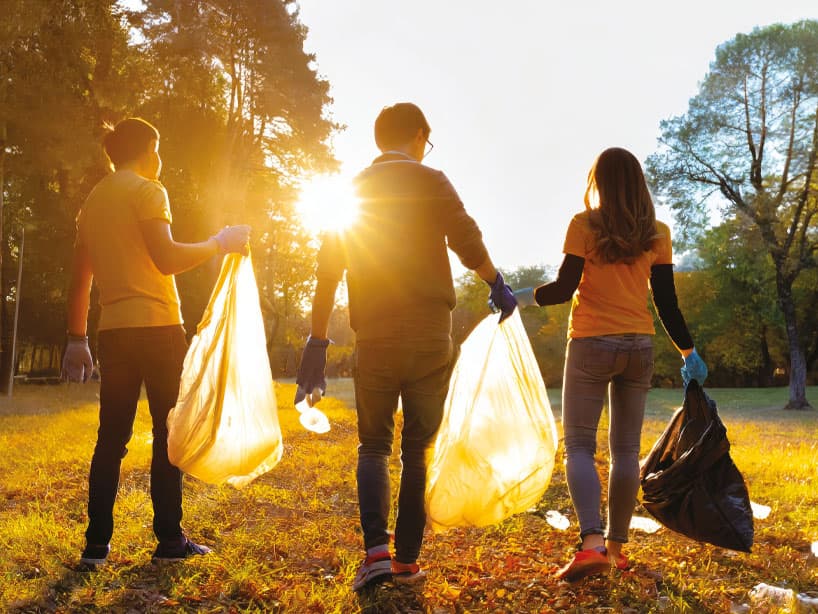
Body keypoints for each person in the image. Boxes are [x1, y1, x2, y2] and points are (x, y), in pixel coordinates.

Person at [295, 102, 517, 591]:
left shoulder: (351, 190)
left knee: (372, 444)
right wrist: (495, 281)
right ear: (419, 135)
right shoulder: (431, 180)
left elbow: (327, 273)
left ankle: (376, 553)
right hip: (428, 333)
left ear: (379, 139)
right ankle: (406, 562)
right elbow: (467, 239)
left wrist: (317, 340)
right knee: (418, 449)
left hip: (373, 332)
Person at [62, 117, 251, 567]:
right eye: (159, 149)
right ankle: (169, 541)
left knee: (111, 438)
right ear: (149, 148)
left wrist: (76, 338)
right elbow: (165, 259)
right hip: (159, 327)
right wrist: (217, 243)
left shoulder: (92, 203)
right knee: (167, 434)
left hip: (114, 332)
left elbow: (80, 281)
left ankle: (95, 546)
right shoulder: (149, 190)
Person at [513, 147, 707, 582]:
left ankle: (591, 545)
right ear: (638, 183)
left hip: (590, 344)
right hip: (638, 346)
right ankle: (616, 549)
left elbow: (564, 288)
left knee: (580, 446)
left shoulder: (583, 226)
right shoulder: (656, 232)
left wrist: (520, 296)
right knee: (625, 451)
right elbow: (667, 303)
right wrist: (688, 352)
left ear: (597, 181)